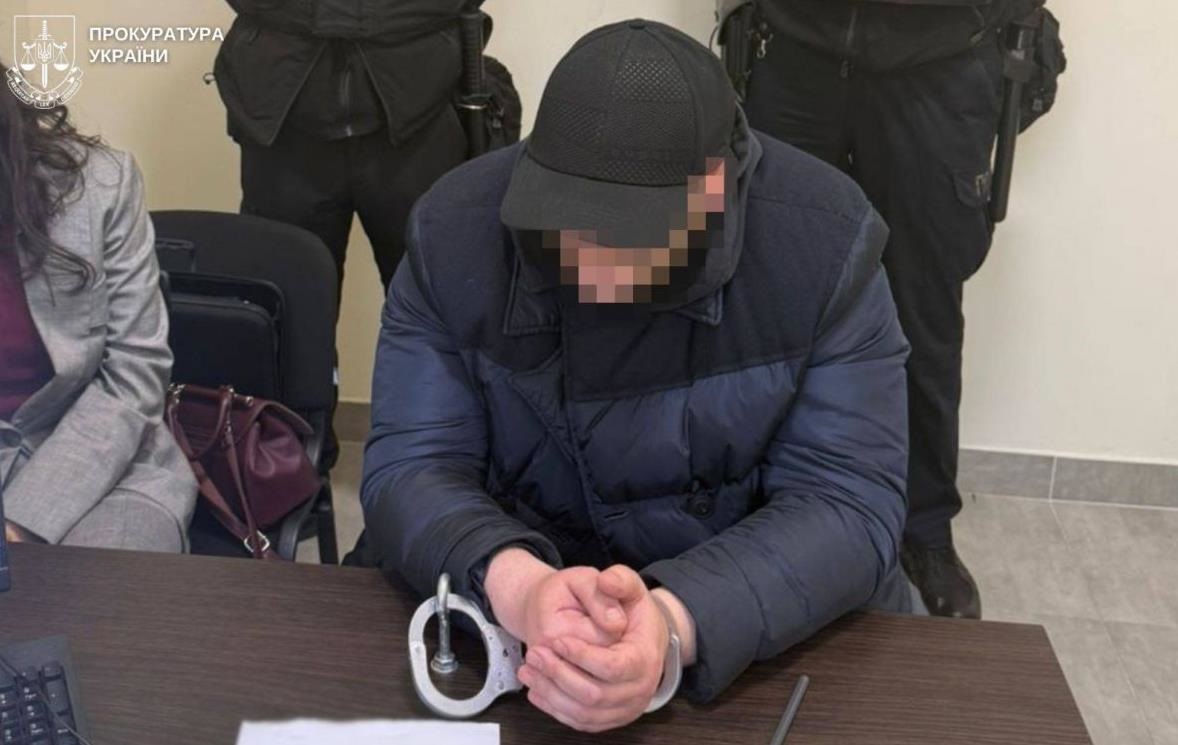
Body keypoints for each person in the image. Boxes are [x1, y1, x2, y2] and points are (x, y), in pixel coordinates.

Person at [361, 20, 916, 732]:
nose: (593, 264)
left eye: (631, 235)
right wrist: (517, 584)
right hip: (512, 624)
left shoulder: (826, 242)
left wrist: (675, 620)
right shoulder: (454, 230)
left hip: (756, 634)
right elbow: (411, 463)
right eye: (571, 225)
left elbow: (848, 499)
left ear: (716, 189)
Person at [740, 0, 1045, 618]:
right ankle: (758, 503)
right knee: (768, 296)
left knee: (924, 313)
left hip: (943, 53)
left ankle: (924, 529)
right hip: (796, 41)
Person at [0, 84, 197, 552]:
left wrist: (22, 521)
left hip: (101, 456)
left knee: (99, 590)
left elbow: (135, 372)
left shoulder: (99, 185)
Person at [213, 0, 477, 295]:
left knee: (436, 303)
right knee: (286, 305)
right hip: (284, 122)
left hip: (418, 115)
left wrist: (340, 14)